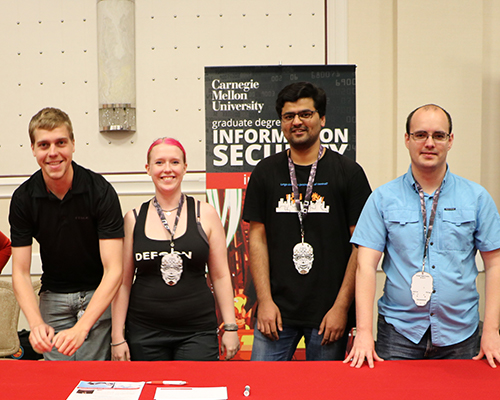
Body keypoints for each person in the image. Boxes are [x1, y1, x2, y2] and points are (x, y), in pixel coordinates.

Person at [346, 104, 500, 369]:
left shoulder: (476, 198)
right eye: (420, 135)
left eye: (438, 135)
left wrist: (492, 331)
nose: (429, 143)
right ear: (407, 139)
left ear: (450, 141)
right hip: (398, 334)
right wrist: (363, 332)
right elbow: (365, 266)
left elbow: (495, 265)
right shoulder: (382, 199)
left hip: (461, 335)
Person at [242, 82, 372, 360]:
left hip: (328, 316)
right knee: (263, 393)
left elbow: (360, 246)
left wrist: (341, 308)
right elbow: (257, 238)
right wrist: (264, 301)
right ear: (281, 123)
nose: (297, 122)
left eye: (306, 114)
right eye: (289, 116)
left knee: (323, 398)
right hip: (275, 313)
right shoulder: (265, 172)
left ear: (322, 119)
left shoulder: (349, 173)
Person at [9, 107, 124, 360]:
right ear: (33, 149)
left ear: (73, 144)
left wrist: (83, 327)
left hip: (97, 297)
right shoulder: (23, 198)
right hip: (52, 299)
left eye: (61, 142)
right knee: (57, 385)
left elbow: (115, 269)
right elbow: (19, 271)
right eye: (44, 145)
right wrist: (36, 322)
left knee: (93, 383)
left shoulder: (100, 191)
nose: (53, 153)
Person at [111, 138, 240, 361]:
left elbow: (220, 276)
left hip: (197, 331)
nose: (167, 169)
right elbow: (122, 283)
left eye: (175, 162)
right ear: (148, 169)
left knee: (195, 394)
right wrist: (117, 336)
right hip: (144, 332)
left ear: (185, 168)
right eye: (159, 162)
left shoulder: (205, 214)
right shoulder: (133, 219)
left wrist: (230, 327)